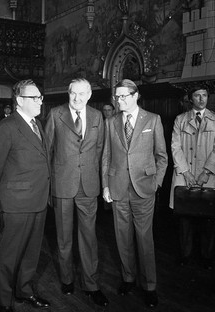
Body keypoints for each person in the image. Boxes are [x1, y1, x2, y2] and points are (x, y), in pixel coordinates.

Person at [102, 79, 168, 308]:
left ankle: (149, 286)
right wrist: (105, 186)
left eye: (123, 96)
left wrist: (157, 183)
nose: (118, 100)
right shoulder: (110, 122)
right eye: (116, 96)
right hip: (118, 187)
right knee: (122, 238)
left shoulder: (152, 119)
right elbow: (106, 157)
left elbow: (162, 156)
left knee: (144, 238)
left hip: (144, 189)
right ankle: (128, 278)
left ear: (135, 95)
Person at [45, 77, 109, 307]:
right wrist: (49, 186)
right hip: (62, 185)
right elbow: (47, 151)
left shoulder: (97, 116)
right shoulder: (55, 114)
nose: (77, 98)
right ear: (68, 93)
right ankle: (66, 279)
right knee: (63, 238)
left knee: (89, 238)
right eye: (73, 93)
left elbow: (101, 151)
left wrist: (103, 185)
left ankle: (91, 284)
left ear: (90, 95)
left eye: (82, 94)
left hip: (88, 186)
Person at [0, 79, 51, 312]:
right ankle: (4, 301)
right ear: (19, 100)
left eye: (40, 97)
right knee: (8, 256)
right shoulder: (7, 127)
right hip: (15, 205)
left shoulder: (37, 124)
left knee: (31, 254)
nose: (39, 102)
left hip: (38, 202)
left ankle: (24, 291)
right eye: (34, 98)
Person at [169, 85, 215, 270]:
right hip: (185, 175)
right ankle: (185, 254)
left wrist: (207, 171)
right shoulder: (180, 120)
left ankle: (207, 256)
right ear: (190, 98)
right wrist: (185, 172)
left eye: (204, 95)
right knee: (185, 219)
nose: (201, 99)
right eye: (197, 95)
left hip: (208, 176)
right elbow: (175, 147)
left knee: (208, 219)